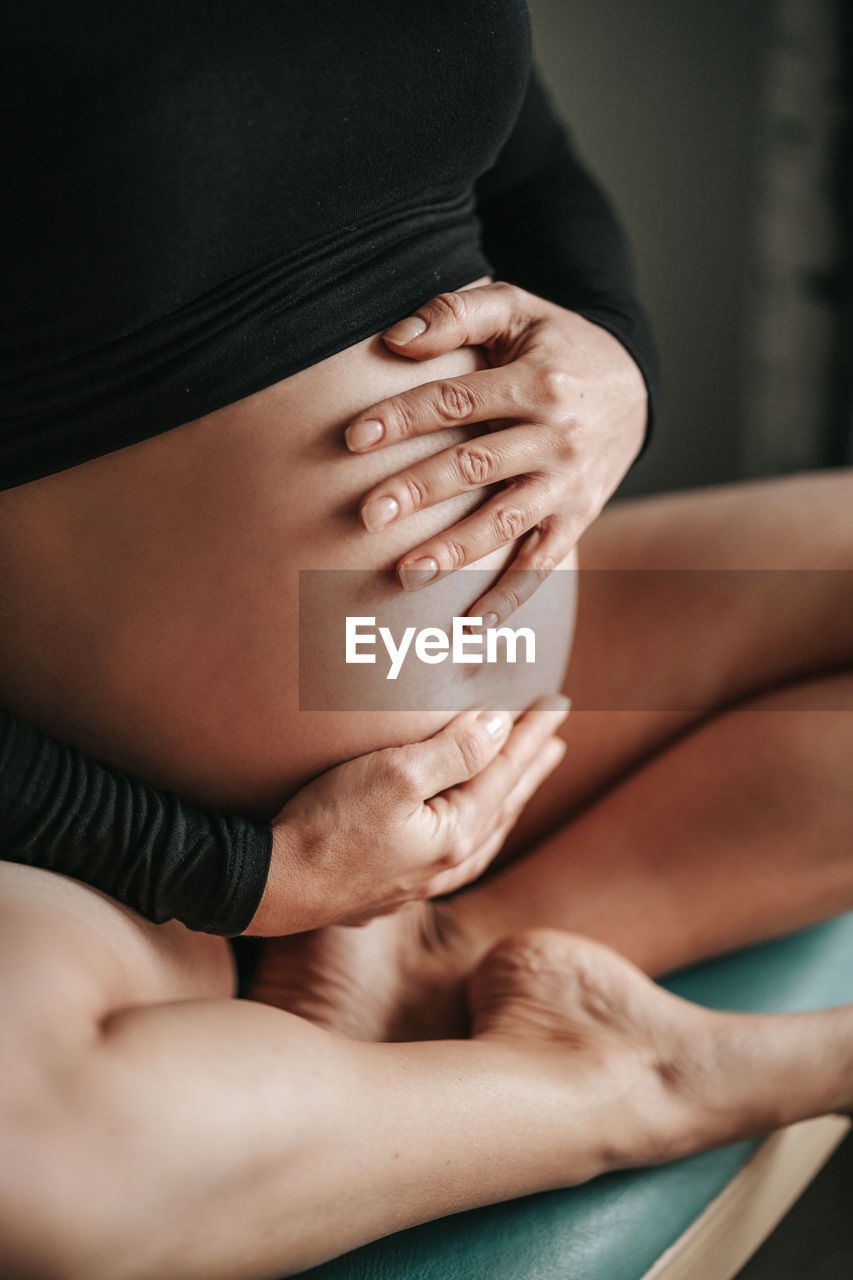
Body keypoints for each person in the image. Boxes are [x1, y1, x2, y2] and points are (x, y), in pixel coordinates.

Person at [2, 4, 853, 1278]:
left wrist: (616, 363)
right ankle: (631, 1088)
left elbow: (527, 164)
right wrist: (237, 871)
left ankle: (444, 952)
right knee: (40, 1163)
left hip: (517, 727)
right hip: (100, 833)